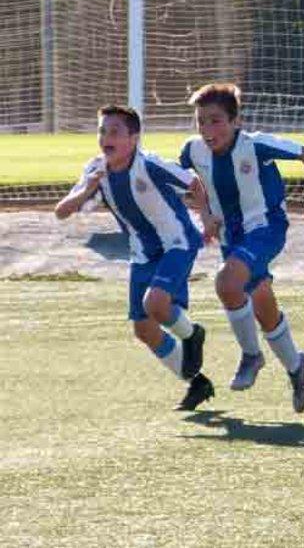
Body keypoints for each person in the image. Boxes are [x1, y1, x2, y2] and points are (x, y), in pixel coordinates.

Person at [55, 105, 218, 410]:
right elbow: (61, 211)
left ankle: (193, 334)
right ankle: (197, 382)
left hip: (177, 243)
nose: (106, 136)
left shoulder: (150, 165)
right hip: (142, 253)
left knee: (154, 305)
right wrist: (88, 188)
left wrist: (207, 217)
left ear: (134, 138)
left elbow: (194, 183)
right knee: (143, 329)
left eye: (115, 131)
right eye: (102, 130)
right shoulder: (96, 171)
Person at [179, 83, 304, 411]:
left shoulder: (255, 146)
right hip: (231, 237)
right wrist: (206, 216)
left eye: (215, 121)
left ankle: (251, 356)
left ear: (235, 120)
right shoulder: (192, 151)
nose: (207, 129)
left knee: (227, 283)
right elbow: (192, 184)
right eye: (201, 122)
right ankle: (297, 367)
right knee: (261, 304)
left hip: (265, 229)